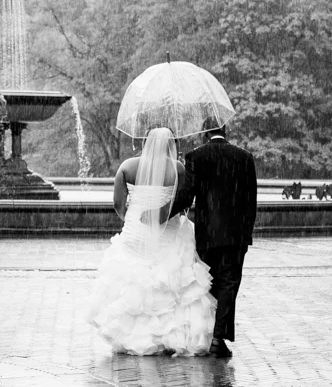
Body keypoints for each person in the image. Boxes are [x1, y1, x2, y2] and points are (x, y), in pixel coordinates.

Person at [86, 127, 216, 356]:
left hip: (136, 233)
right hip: (168, 232)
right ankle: (169, 337)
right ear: (170, 145)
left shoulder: (127, 167)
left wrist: (131, 221)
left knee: (133, 281)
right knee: (173, 281)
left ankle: (131, 337)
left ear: (145, 142)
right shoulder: (179, 169)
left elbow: (118, 204)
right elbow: (185, 201)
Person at [174, 118, 258, 358]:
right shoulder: (244, 157)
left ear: (204, 134)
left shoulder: (195, 157)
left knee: (208, 283)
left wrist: (164, 215)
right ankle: (218, 339)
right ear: (224, 131)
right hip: (235, 234)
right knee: (229, 285)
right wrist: (245, 234)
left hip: (207, 233)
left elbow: (186, 197)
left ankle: (207, 333)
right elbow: (251, 200)